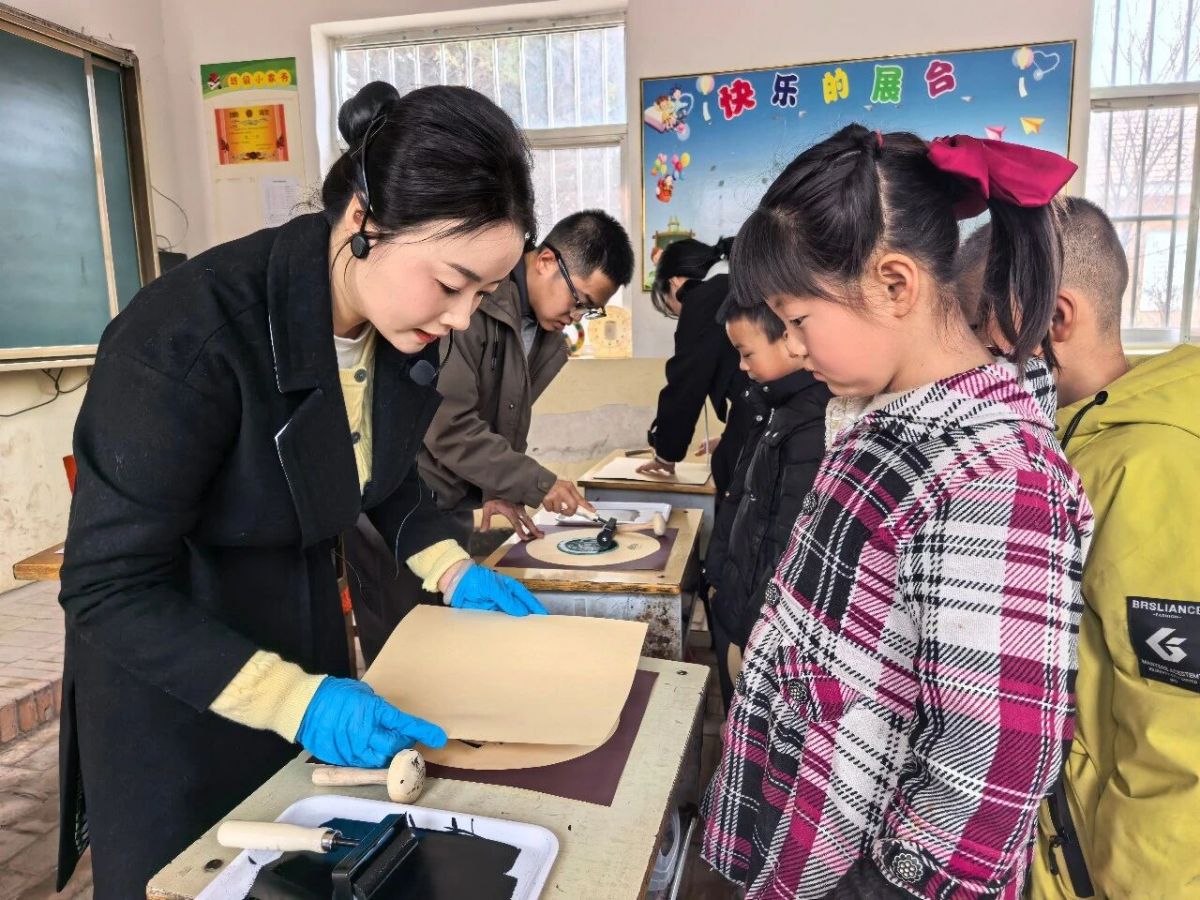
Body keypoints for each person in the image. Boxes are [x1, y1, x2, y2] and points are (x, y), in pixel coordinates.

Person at [56, 82, 545, 898]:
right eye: (451, 283)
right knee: (197, 877)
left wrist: (452, 567)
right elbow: (107, 585)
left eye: (483, 295)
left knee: (302, 870)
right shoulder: (186, 337)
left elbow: (382, 475)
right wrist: (298, 701)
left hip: (301, 651)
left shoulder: (400, 326)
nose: (462, 319)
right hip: (179, 678)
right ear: (363, 220)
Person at [700, 125, 1092, 899]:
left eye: (798, 320)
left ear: (894, 284)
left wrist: (877, 888)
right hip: (812, 830)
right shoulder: (885, 423)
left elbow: (992, 766)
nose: (794, 346)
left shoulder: (995, 478)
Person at [958, 198, 1200, 900]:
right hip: (1056, 849)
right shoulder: (1075, 436)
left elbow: (1176, 735)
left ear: (1056, 319)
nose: (974, 362)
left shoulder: (1154, 465)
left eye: (981, 335)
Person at [347, 210, 634, 664]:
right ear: (545, 261)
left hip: (449, 503)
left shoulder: (543, 334)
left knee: (447, 647)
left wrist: (496, 488)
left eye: (590, 309)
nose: (577, 316)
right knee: (403, 652)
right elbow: (448, 425)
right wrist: (539, 483)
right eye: (579, 300)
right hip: (396, 504)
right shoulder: (473, 306)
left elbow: (501, 417)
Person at [702, 296, 830, 708]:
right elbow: (742, 500)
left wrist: (750, 628)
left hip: (757, 621)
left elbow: (787, 543)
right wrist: (718, 576)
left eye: (747, 353)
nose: (742, 366)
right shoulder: (773, 406)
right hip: (738, 600)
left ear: (791, 339)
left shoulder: (811, 423)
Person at [640, 237, 752, 493]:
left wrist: (666, 454)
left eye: (671, 305)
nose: (680, 314)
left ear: (675, 282)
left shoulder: (705, 296)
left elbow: (686, 383)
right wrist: (732, 436)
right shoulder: (740, 281)